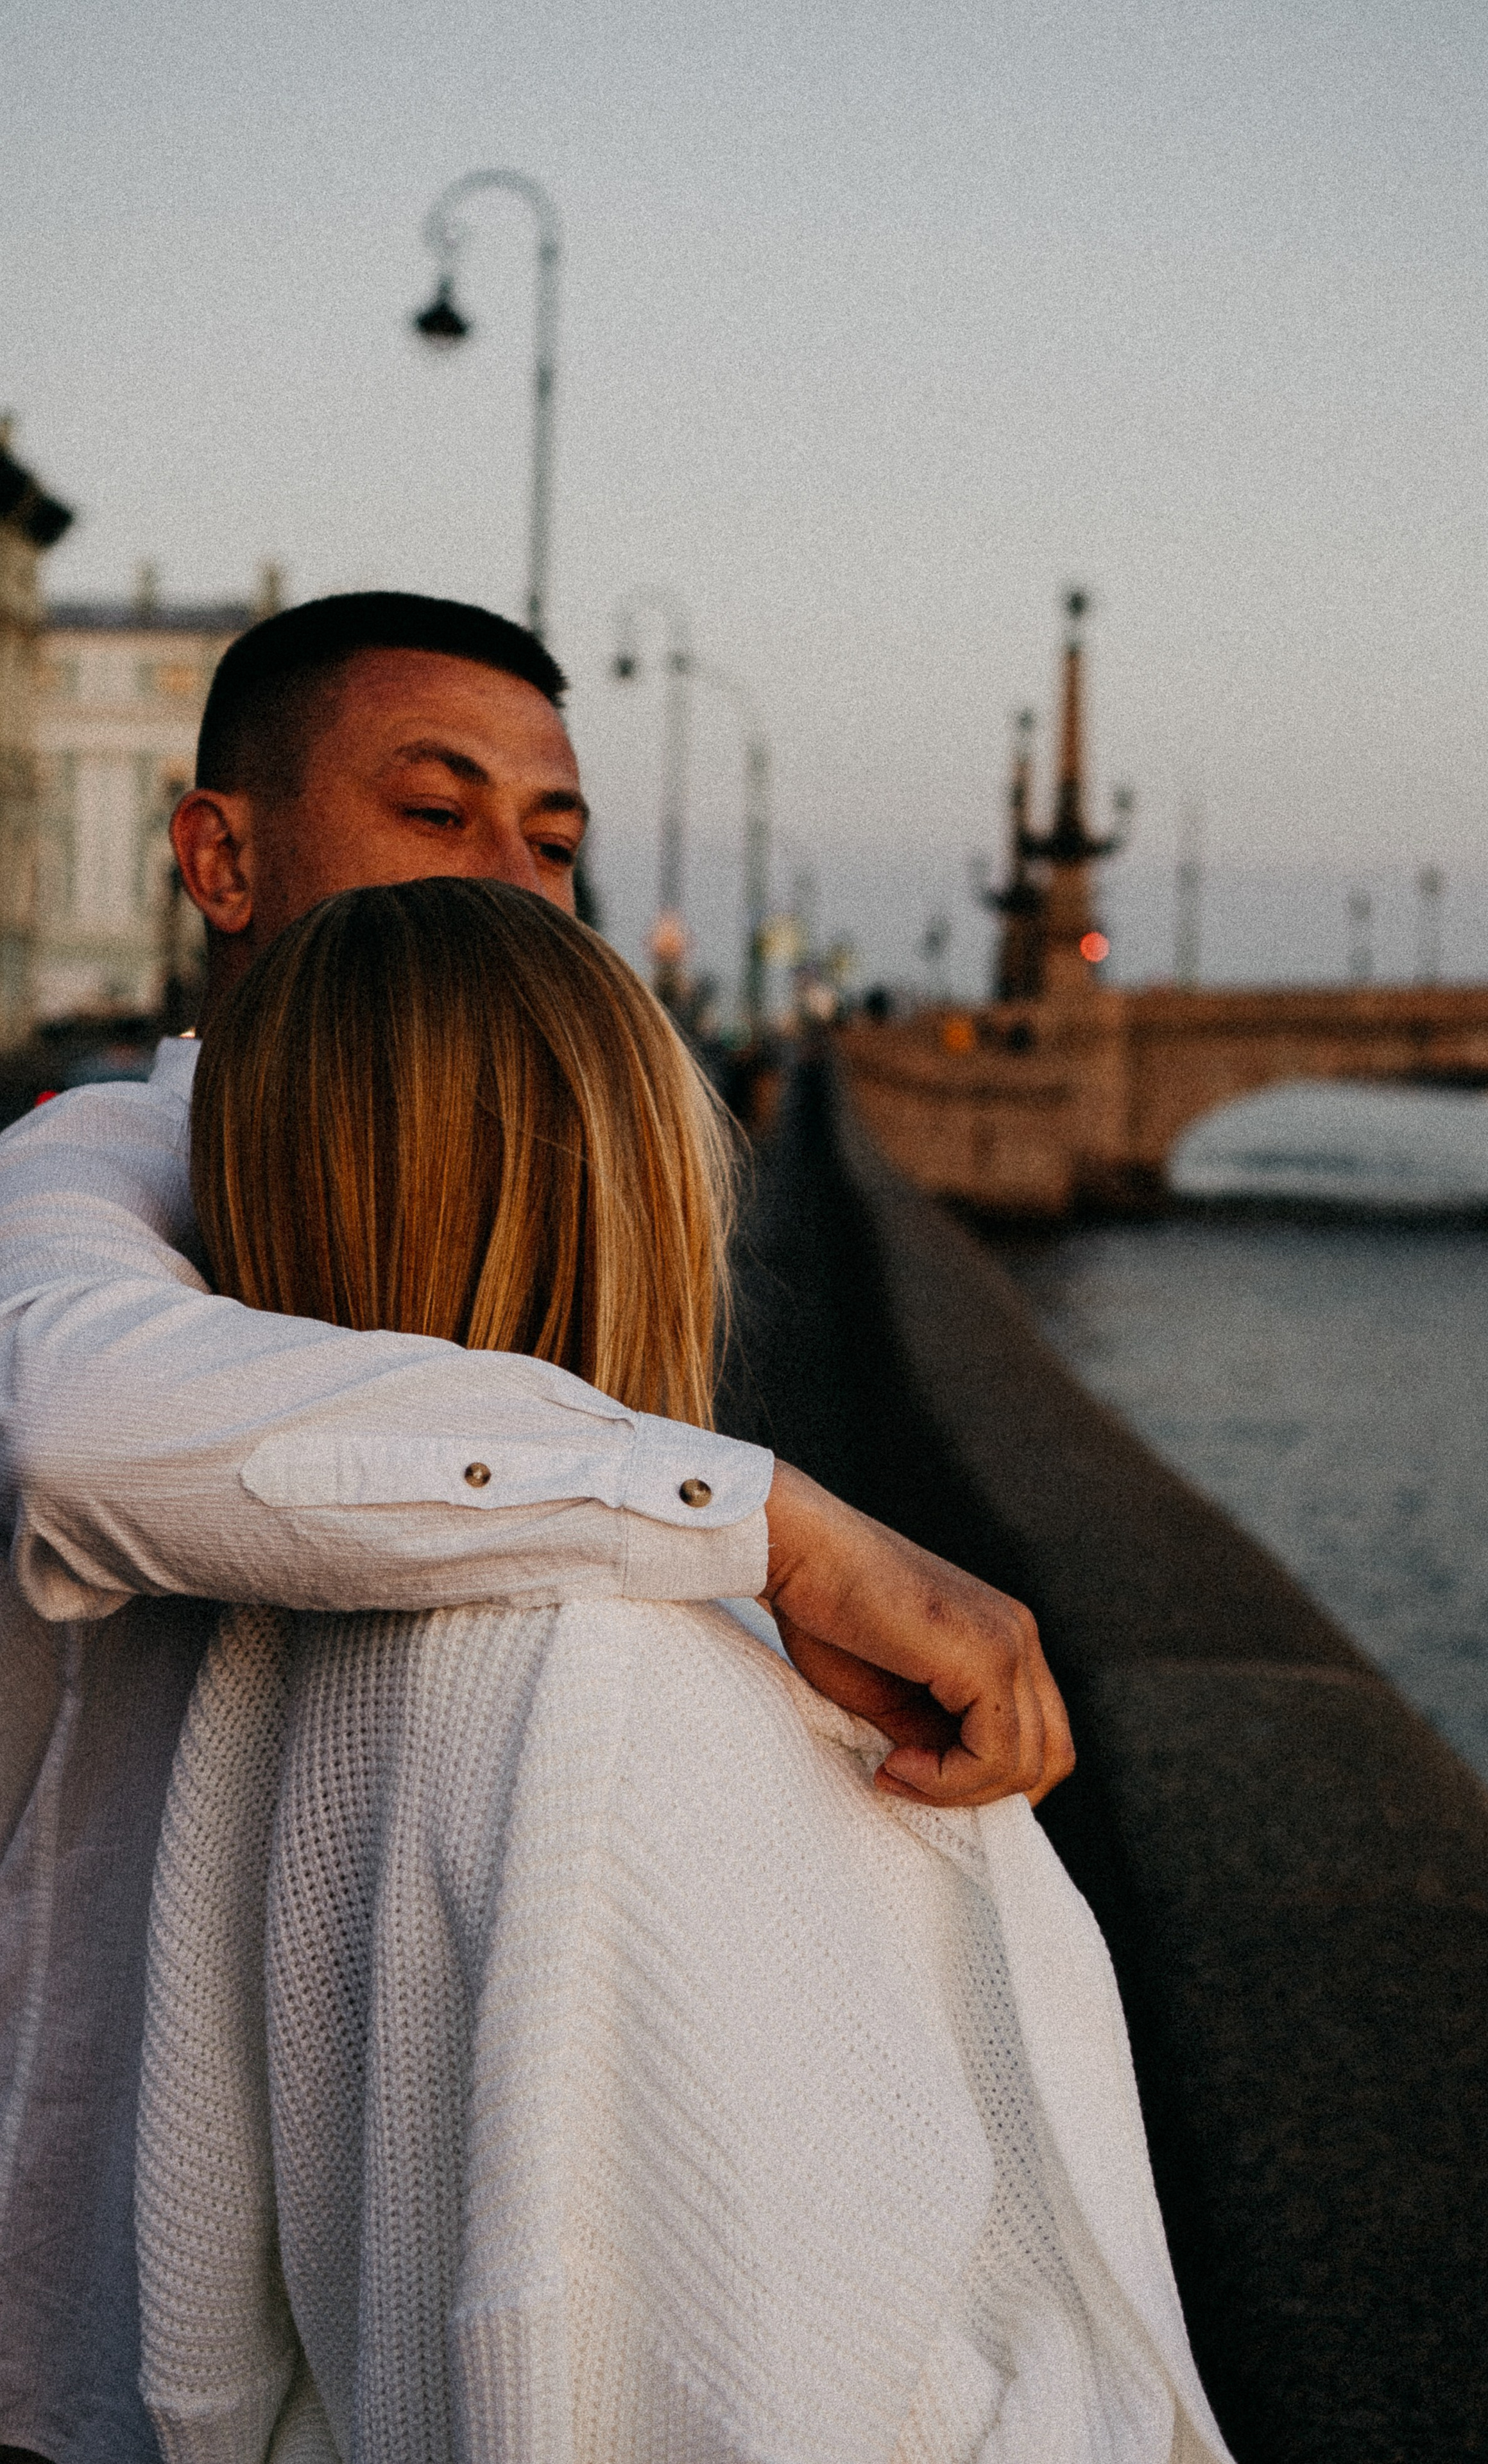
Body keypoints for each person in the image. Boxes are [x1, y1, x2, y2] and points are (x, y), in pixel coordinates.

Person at [0, 595, 1071, 2464]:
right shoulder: (92, 1175)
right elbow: (82, 1423)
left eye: (556, 840)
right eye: (440, 812)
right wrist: (771, 1522)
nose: (516, 875)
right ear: (220, 857)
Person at [135, 877, 1231, 2464]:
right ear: (628, 1185)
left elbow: (207, 2327)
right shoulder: (626, 1709)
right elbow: (749, 2383)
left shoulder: (254, 1653)